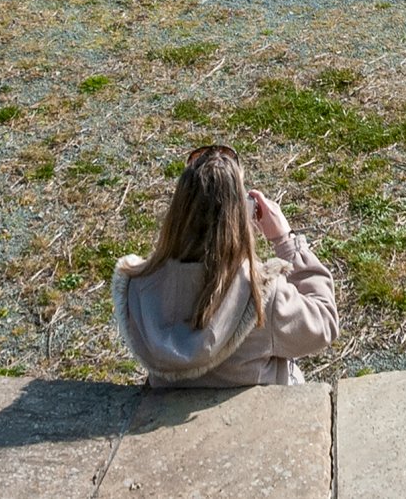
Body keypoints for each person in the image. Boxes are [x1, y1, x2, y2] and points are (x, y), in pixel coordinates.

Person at [113, 144, 339, 386]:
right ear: (240, 217)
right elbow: (324, 322)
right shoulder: (261, 295)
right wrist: (287, 241)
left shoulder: (136, 287)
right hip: (256, 418)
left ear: (178, 210)